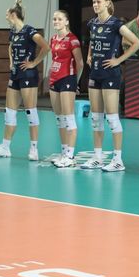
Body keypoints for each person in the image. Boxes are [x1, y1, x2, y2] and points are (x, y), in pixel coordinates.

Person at [81, 0, 139, 172]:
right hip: (95, 73)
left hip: (110, 74)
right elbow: (93, 42)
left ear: (107, 3)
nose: (95, 5)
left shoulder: (116, 24)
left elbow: (137, 43)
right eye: (93, 2)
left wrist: (119, 60)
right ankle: (98, 157)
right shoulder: (92, 23)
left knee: (112, 118)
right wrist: (89, 55)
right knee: (96, 118)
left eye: (98, 2)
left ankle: (117, 159)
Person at [0, 0, 50, 160]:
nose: (6, 17)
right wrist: (11, 61)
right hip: (15, 74)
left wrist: (34, 63)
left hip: (28, 75)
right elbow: (10, 47)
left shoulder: (29, 31)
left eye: (7, 15)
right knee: (9, 112)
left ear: (14, 15)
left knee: (30, 111)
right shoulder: (13, 32)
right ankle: (5, 148)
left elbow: (46, 47)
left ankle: (34, 149)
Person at [48, 10, 84, 168]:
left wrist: (76, 82)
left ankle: (70, 156)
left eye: (59, 19)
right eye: (54, 19)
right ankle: (63, 152)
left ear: (67, 21)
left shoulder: (72, 40)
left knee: (69, 118)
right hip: (54, 80)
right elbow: (55, 59)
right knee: (59, 119)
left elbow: (80, 63)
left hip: (67, 79)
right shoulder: (53, 39)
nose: (56, 21)